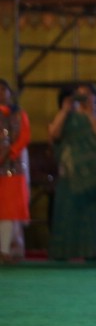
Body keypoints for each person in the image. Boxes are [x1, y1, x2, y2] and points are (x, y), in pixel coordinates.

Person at [48, 84, 96, 261]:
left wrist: (91, 113)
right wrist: (64, 110)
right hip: (70, 175)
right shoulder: (67, 116)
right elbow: (53, 134)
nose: (82, 99)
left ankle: (92, 254)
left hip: (94, 178)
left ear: (94, 97)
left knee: (93, 219)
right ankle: (63, 255)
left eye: (87, 95)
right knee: (66, 216)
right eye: (79, 95)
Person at [0, 80, 31, 264]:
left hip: (13, 169)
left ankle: (7, 250)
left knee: (9, 211)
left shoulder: (18, 114)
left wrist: (9, 153)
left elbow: (24, 136)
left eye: (4, 89)